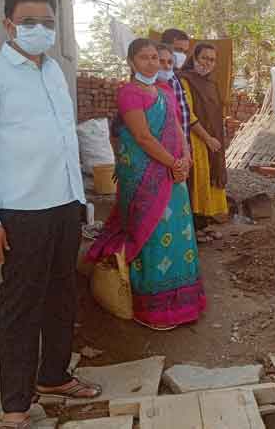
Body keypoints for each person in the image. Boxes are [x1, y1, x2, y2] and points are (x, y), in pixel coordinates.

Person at [0, 0, 101, 429]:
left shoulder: (54, 71)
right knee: (21, 307)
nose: (39, 29)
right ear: (8, 25)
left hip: (64, 205)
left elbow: (63, 141)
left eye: (47, 22)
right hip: (20, 212)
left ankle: (54, 376)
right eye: (28, 22)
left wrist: (80, 200)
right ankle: (15, 406)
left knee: (62, 296)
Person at [87, 38, 205, 331]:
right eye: (144, 57)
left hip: (173, 174)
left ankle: (183, 304)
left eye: (155, 57)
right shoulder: (129, 93)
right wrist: (173, 163)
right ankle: (153, 309)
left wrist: (186, 158)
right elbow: (142, 137)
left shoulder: (165, 91)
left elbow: (177, 128)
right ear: (131, 62)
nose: (152, 63)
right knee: (152, 234)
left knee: (179, 232)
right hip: (144, 176)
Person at [178, 43, 229, 226]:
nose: (208, 63)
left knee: (211, 176)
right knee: (198, 177)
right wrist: (207, 138)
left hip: (213, 138)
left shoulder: (211, 83)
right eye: (204, 58)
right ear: (194, 58)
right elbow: (187, 114)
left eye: (212, 60)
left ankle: (206, 218)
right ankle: (195, 222)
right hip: (195, 139)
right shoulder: (184, 80)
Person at [156, 42, 191, 141]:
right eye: (161, 62)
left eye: (170, 62)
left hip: (179, 140)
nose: (167, 66)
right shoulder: (146, 86)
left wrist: (184, 142)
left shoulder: (174, 80)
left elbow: (181, 112)